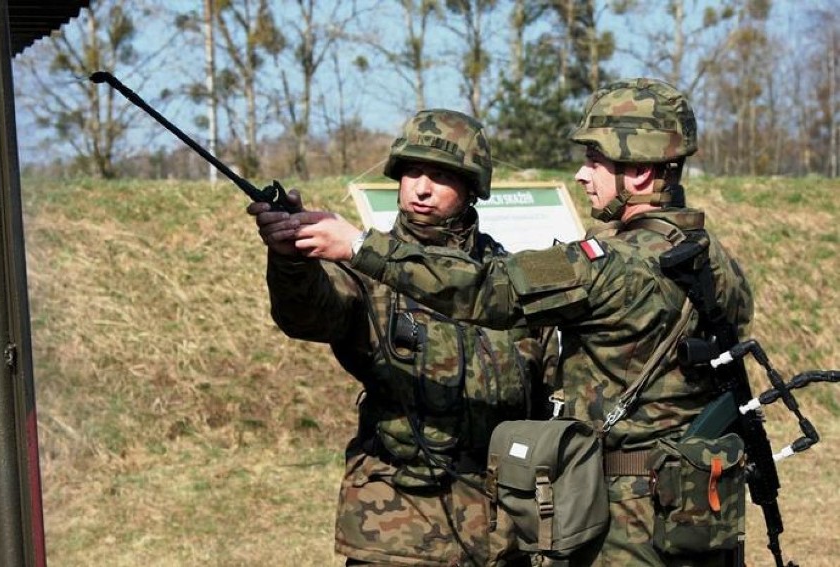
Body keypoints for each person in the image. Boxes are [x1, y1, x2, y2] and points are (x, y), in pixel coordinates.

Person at [276, 79, 754, 566]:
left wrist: (360, 246)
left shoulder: (601, 264)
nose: (582, 175)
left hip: (623, 523)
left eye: (594, 160)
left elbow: (494, 286)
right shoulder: (718, 261)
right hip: (697, 512)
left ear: (641, 171)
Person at [248, 109, 556, 566]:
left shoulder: (509, 283)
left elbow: (550, 390)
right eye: (412, 172)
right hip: (394, 529)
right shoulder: (366, 267)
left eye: (439, 175)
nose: (421, 188)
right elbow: (312, 313)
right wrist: (293, 259)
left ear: (473, 186)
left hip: (502, 532)